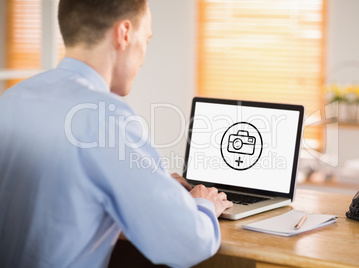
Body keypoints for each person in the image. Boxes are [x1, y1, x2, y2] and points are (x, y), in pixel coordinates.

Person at [0, 0, 233, 267]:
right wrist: (203, 205)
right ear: (124, 33)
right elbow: (185, 244)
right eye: (146, 39)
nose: (144, 56)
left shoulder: (13, 98)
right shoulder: (106, 116)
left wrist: (153, 184)